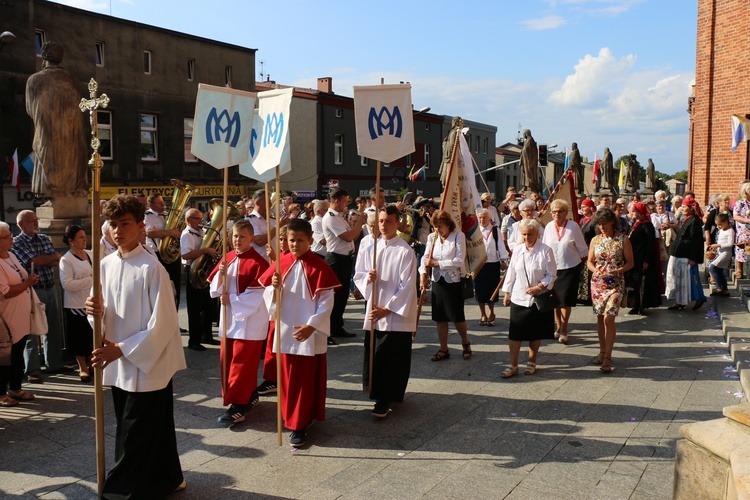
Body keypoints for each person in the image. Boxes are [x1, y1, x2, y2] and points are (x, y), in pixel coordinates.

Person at [85, 194, 187, 497]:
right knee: (150, 429)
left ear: (141, 226)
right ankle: (167, 477)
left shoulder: (151, 268)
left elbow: (165, 323)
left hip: (148, 363)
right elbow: (100, 319)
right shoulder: (103, 266)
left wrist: (122, 348)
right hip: (119, 363)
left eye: (125, 224)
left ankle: (123, 491)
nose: (118, 230)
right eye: (113, 224)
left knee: (136, 432)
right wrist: (94, 313)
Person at [259, 218, 340, 447]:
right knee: (286, 378)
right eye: (291, 240)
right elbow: (268, 299)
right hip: (286, 330)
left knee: (304, 380)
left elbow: (326, 301)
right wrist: (273, 288)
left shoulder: (320, 266)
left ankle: (300, 423)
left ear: (310, 241)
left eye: (300, 240)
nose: (295, 245)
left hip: (308, 332)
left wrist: (312, 325)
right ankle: (290, 417)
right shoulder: (280, 263)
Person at [353, 205, 418, 418]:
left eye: (388, 221)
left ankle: (387, 397)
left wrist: (387, 309)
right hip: (374, 308)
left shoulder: (405, 251)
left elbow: (407, 286)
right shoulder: (370, 246)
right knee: (375, 354)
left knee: (392, 356)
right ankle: (376, 392)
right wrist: (367, 280)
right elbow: (359, 274)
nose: (383, 225)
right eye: (381, 221)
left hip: (394, 314)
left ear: (397, 223)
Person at [208, 220, 269, 425]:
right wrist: (221, 274)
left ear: (252, 238)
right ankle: (250, 394)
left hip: (249, 321)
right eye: (234, 236)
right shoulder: (228, 258)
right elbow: (214, 288)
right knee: (228, 360)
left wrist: (232, 300)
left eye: (242, 236)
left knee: (241, 364)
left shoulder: (259, 263)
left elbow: (258, 295)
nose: (237, 240)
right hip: (229, 319)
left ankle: (238, 405)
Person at [24, 41, 88, 198]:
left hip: (48, 133)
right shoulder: (73, 80)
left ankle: (51, 189)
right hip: (72, 134)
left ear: (44, 56)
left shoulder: (35, 79)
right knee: (72, 162)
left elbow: (30, 109)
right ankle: (70, 188)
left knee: (50, 162)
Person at [12, 210, 65, 384]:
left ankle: (54, 364)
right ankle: (32, 370)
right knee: (32, 330)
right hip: (33, 290)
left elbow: (57, 259)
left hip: (50, 286)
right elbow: (34, 261)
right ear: (21, 225)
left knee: (53, 327)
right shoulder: (17, 242)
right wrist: (48, 259)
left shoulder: (44, 238)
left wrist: (46, 259)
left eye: (36, 220)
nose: (36, 223)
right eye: (31, 221)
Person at [500, 219, 556, 378]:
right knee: (515, 333)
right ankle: (513, 365)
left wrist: (539, 287)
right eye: (524, 234)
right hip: (519, 297)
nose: (526, 237)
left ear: (538, 234)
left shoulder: (546, 250)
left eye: (530, 234)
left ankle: (532, 361)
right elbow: (511, 272)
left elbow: (552, 275)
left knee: (535, 332)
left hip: (538, 298)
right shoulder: (517, 250)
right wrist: (507, 293)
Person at [419, 210, 472, 361]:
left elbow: (459, 260)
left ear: (448, 225)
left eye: (440, 226)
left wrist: (437, 263)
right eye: (435, 226)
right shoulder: (432, 237)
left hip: (453, 281)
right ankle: (443, 349)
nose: (437, 229)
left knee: (457, 316)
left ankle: (465, 342)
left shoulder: (458, 236)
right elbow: (425, 257)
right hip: (438, 281)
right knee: (439, 317)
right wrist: (423, 274)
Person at [587, 208, 634, 374]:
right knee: (600, 318)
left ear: (612, 222)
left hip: (616, 283)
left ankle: (608, 356)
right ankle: (602, 351)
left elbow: (630, 263)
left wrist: (618, 270)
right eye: (599, 225)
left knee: (609, 318)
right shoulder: (595, 240)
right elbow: (589, 262)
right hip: (598, 283)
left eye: (604, 224)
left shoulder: (623, 239)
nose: (601, 227)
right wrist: (596, 271)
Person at [0, 221, 39, 406]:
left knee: (17, 354)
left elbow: (22, 276)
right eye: (7, 237)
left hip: (20, 317)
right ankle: (1, 393)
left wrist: (29, 280)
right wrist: (27, 284)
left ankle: (15, 387)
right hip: (7, 319)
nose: (11, 239)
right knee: (5, 357)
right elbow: (6, 291)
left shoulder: (12, 256)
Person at [542, 200, 588, 343]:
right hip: (553, 269)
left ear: (566, 212)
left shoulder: (573, 227)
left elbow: (583, 248)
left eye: (560, 211)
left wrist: (582, 264)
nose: (557, 214)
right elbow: (544, 247)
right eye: (554, 211)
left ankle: (564, 329)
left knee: (565, 301)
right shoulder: (549, 226)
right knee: (555, 301)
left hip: (570, 268)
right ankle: (558, 326)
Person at [323, 188, 367, 338]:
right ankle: (330, 328)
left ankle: (337, 326)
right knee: (335, 295)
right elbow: (348, 237)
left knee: (342, 296)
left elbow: (352, 238)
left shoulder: (339, 217)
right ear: (336, 201)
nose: (345, 204)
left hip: (345, 257)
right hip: (336, 259)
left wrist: (354, 223)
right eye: (344, 201)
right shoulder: (330, 217)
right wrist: (360, 223)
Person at [59, 225, 94, 383]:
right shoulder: (66, 260)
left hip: (92, 301)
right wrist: (91, 280)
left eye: (84, 236)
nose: (85, 239)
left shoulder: (90, 254)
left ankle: (93, 364)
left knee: (93, 336)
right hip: (76, 305)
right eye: (80, 237)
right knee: (79, 338)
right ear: (71, 241)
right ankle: (82, 368)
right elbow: (67, 284)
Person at [181, 208, 218, 351]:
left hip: (203, 271)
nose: (201, 221)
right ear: (189, 220)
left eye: (201, 218)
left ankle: (206, 335)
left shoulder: (201, 232)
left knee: (207, 305)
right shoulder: (187, 234)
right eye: (198, 218)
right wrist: (205, 250)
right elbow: (185, 255)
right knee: (194, 308)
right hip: (192, 271)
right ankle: (194, 341)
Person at [665, 198, 707, 311]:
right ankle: (680, 301)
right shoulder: (686, 219)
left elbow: (696, 241)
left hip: (687, 256)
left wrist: (693, 258)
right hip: (680, 254)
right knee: (679, 279)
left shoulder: (694, 221)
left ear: (691, 208)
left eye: (684, 207)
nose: (682, 209)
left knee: (692, 279)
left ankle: (699, 298)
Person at [144, 193, 183, 309]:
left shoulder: (168, 215)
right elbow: (149, 233)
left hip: (172, 254)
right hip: (158, 254)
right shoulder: (148, 216)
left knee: (176, 286)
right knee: (161, 287)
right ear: (151, 205)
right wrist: (170, 232)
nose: (163, 205)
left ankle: (175, 319)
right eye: (159, 203)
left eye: (163, 202)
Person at [626, 203, 663, 314]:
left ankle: (641, 304)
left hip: (642, 258)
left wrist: (647, 260)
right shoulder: (636, 224)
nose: (632, 213)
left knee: (641, 282)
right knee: (634, 282)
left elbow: (650, 244)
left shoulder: (647, 225)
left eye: (634, 211)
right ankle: (635, 304)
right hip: (635, 257)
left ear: (640, 212)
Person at [475, 209, 507, 326]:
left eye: (485, 217)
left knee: (492, 289)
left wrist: (503, 260)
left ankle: (491, 312)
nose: (482, 220)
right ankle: (483, 313)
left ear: (490, 219)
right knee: (480, 290)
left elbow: (501, 246)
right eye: (480, 218)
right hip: (479, 264)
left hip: (493, 263)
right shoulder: (475, 231)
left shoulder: (495, 230)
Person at [247, 189, 289, 263]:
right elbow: (259, 241)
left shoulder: (273, 220)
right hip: (259, 264)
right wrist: (278, 226)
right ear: (258, 203)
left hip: (275, 262)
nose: (270, 204)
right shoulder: (250, 220)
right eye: (267, 201)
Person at [708, 213, 735, 297]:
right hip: (721, 252)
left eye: (720, 224)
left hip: (726, 253)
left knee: (712, 267)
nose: (718, 226)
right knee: (719, 271)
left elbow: (730, 244)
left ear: (726, 222)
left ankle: (719, 288)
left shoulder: (730, 231)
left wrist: (718, 245)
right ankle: (725, 289)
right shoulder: (722, 230)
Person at [733, 183, 750, 280]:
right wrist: (747, 220)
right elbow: (736, 216)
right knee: (741, 250)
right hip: (743, 230)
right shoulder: (740, 203)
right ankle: (739, 271)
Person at [520, 129, 540, 194]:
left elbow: (526, 150)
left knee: (528, 174)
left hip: (528, 161)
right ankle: (526, 186)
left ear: (526, 133)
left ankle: (530, 186)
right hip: (525, 160)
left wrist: (522, 151)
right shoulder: (529, 141)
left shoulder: (530, 140)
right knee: (525, 173)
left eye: (523, 133)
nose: (523, 135)